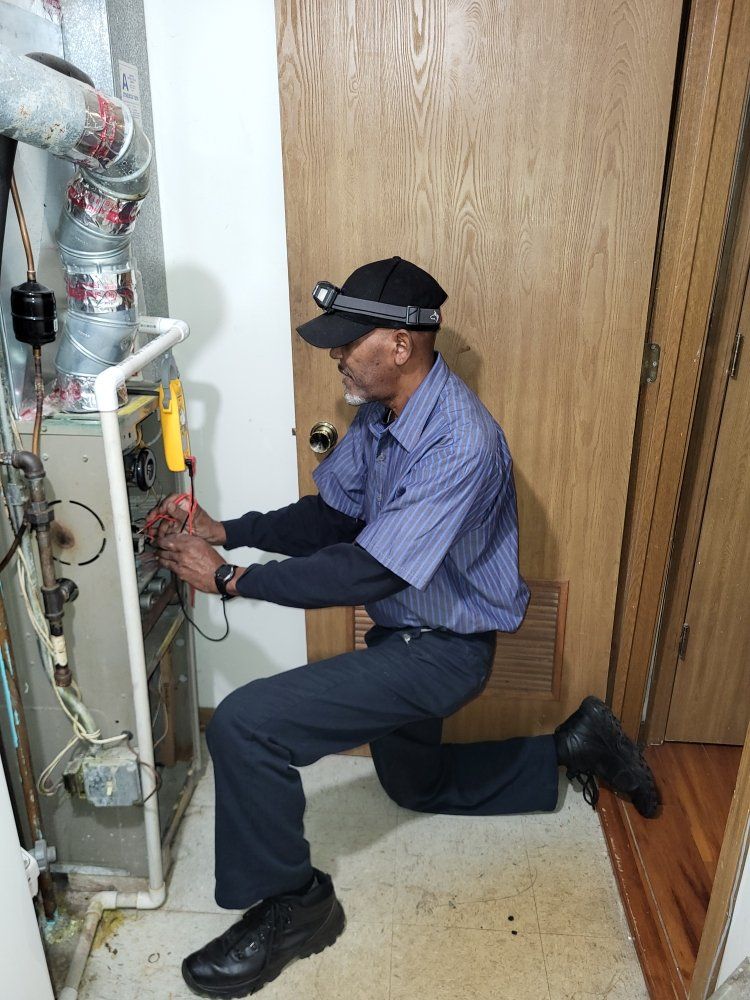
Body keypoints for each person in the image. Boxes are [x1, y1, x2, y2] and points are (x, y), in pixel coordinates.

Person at [153, 256, 658, 1000]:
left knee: (246, 724)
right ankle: (574, 745)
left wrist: (230, 581)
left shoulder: (461, 442)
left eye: (348, 341)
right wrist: (227, 529)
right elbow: (334, 516)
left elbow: (369, 572)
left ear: (400, 345)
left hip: (445, 654)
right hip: (402, 636)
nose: (335, 354)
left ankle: (296, 906)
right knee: (413, 785)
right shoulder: (381, 414)